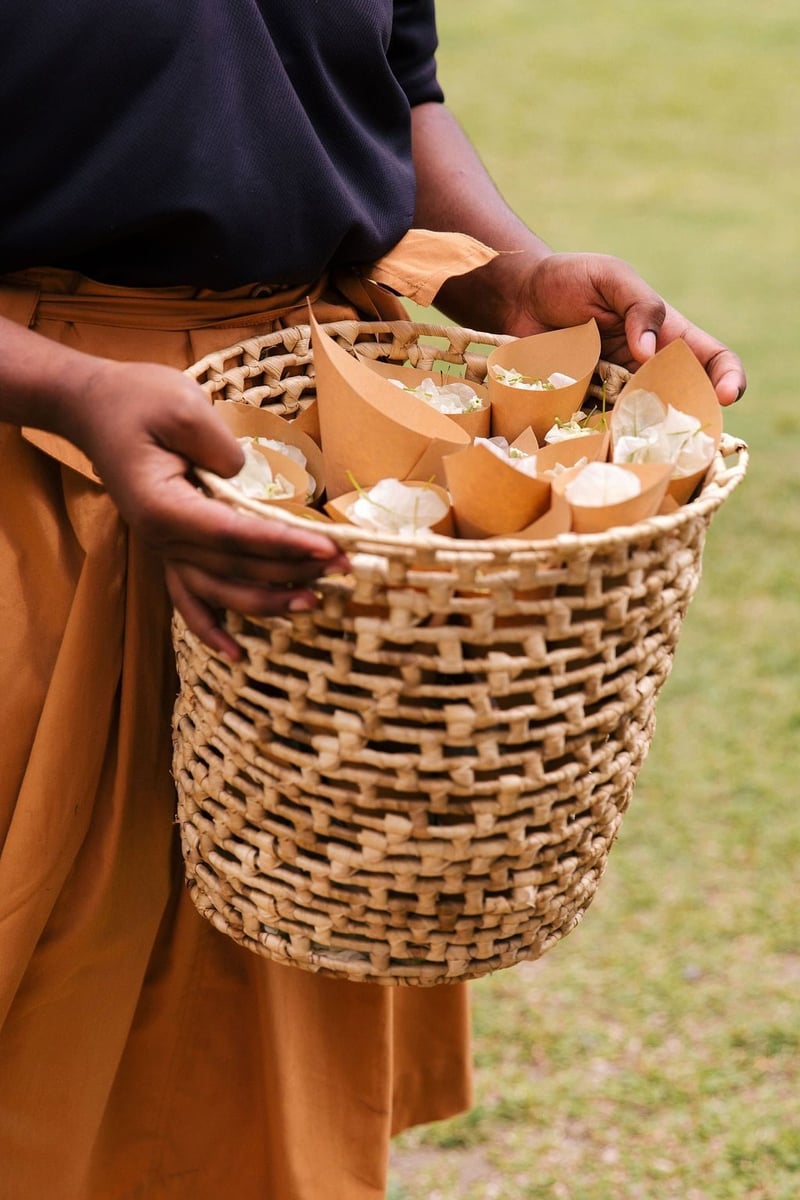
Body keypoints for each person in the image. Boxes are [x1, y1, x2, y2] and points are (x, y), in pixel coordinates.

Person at [0, 4, 745, 1199]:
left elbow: (391, 84)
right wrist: (70, 384)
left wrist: (511, 272)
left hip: (311, 450)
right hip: (35, 462)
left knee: (262, 1027)